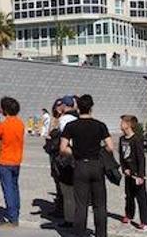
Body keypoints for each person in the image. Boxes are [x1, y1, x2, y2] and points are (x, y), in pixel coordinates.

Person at [60, 94, 114, 237]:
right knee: (99, 204)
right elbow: (110, 147)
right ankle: (101, 234)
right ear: (91, 108)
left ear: (78, 108)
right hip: (96, 164)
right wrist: (99, 150)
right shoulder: (100, 125)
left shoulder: (71, 126)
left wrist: (75, 152)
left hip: (80, 165)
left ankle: (79, 233)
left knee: (81, 204)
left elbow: (62, 148)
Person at [0, 96, 25, 229]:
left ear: (5, 110)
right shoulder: (20, 123)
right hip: (17, 160)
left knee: (8, 189)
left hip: (5, 160)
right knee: (15, 187)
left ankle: (12, 218)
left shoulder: (4, 124)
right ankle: (16, 211)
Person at [120, 114, 147, 231]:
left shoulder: (136, 139)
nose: (120, 124)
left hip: (137, 174)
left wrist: (141, 175)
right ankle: (129, 215)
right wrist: (124, 169)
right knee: (129, 196)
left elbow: (141, 158)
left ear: (128, 125)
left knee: (141, 198)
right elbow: (122, 157)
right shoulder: (122, 139)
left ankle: (145, 222)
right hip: (128, 174)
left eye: (122, 122)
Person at [56, 95, 79, 226]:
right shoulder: (77, 117)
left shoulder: (63, 119)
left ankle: (69, 219)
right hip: (80, 157)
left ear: (65, 105)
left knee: (67, 191)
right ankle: (78, 216)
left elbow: (65, 138)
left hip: (68, 156)